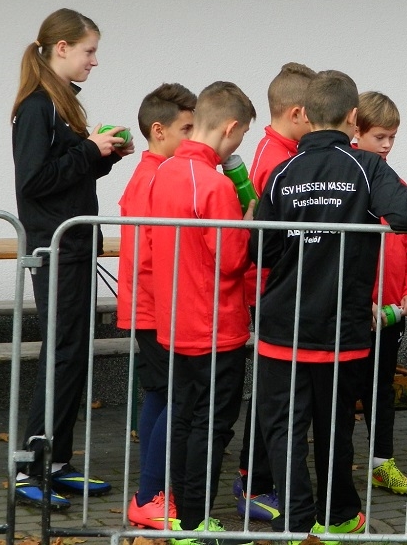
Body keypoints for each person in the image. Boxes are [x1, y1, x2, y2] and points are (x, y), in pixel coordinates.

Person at [249, 71, 407, 543]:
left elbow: (261, 251)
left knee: (284, 428)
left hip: (283, 322)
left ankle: (294, 522)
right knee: (334, 427)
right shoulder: (366, 167)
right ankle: (338, 514)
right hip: (340, 325)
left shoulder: (284, 171)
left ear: (305, 115)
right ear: (353, 117)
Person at [12, 9, 133, 508]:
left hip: (76, 245)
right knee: (61, 354)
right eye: (89, 50)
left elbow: (63, 176)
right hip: (56, 249)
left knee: (74, 354)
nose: (94, 61)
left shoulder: (60, 102)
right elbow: (34, 181)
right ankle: (29, 467)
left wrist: (102, 156)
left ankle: (57, 462)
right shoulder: (37, 106)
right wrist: (88, 151)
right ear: (61, 48)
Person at [147, 81, 257, 544]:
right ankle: (194, 521)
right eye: (241, 135)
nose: (238, 145)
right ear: (230, 128)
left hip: (176, 320)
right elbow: (231, 260)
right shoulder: (213, 184)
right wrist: (249, 224)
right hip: (215, 324)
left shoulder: (164, 171)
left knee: (183, 419)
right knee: (210, 427)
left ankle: (183, 517)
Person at [234, 62, 316, 523]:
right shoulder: (276, 160)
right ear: (298, 113)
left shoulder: (282, 152)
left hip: (277, 287)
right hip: (270, 288)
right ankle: (254, 479)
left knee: (276, 391)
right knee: (272, 393)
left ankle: (259, 476)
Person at [117, 83, 196, 529]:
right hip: (158, 306)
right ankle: (150, 494)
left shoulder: (150, 174)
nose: (193, 137)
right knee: (177, 396)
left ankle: (153, 491)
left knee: (161, 394)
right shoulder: (157, 177)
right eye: (187, 129)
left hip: (149, 304)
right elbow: (152, 253)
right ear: (159, 130)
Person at [353, 91, 407, 496]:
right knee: (343, 394)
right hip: (354, 313)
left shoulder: (396, 185)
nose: (387, 146)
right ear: (355, 131)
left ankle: (382, 464)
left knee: (381, 391)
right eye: (379, 136)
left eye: (392, 137)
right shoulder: (347, 183)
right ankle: (336, 467)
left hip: (391, 311)